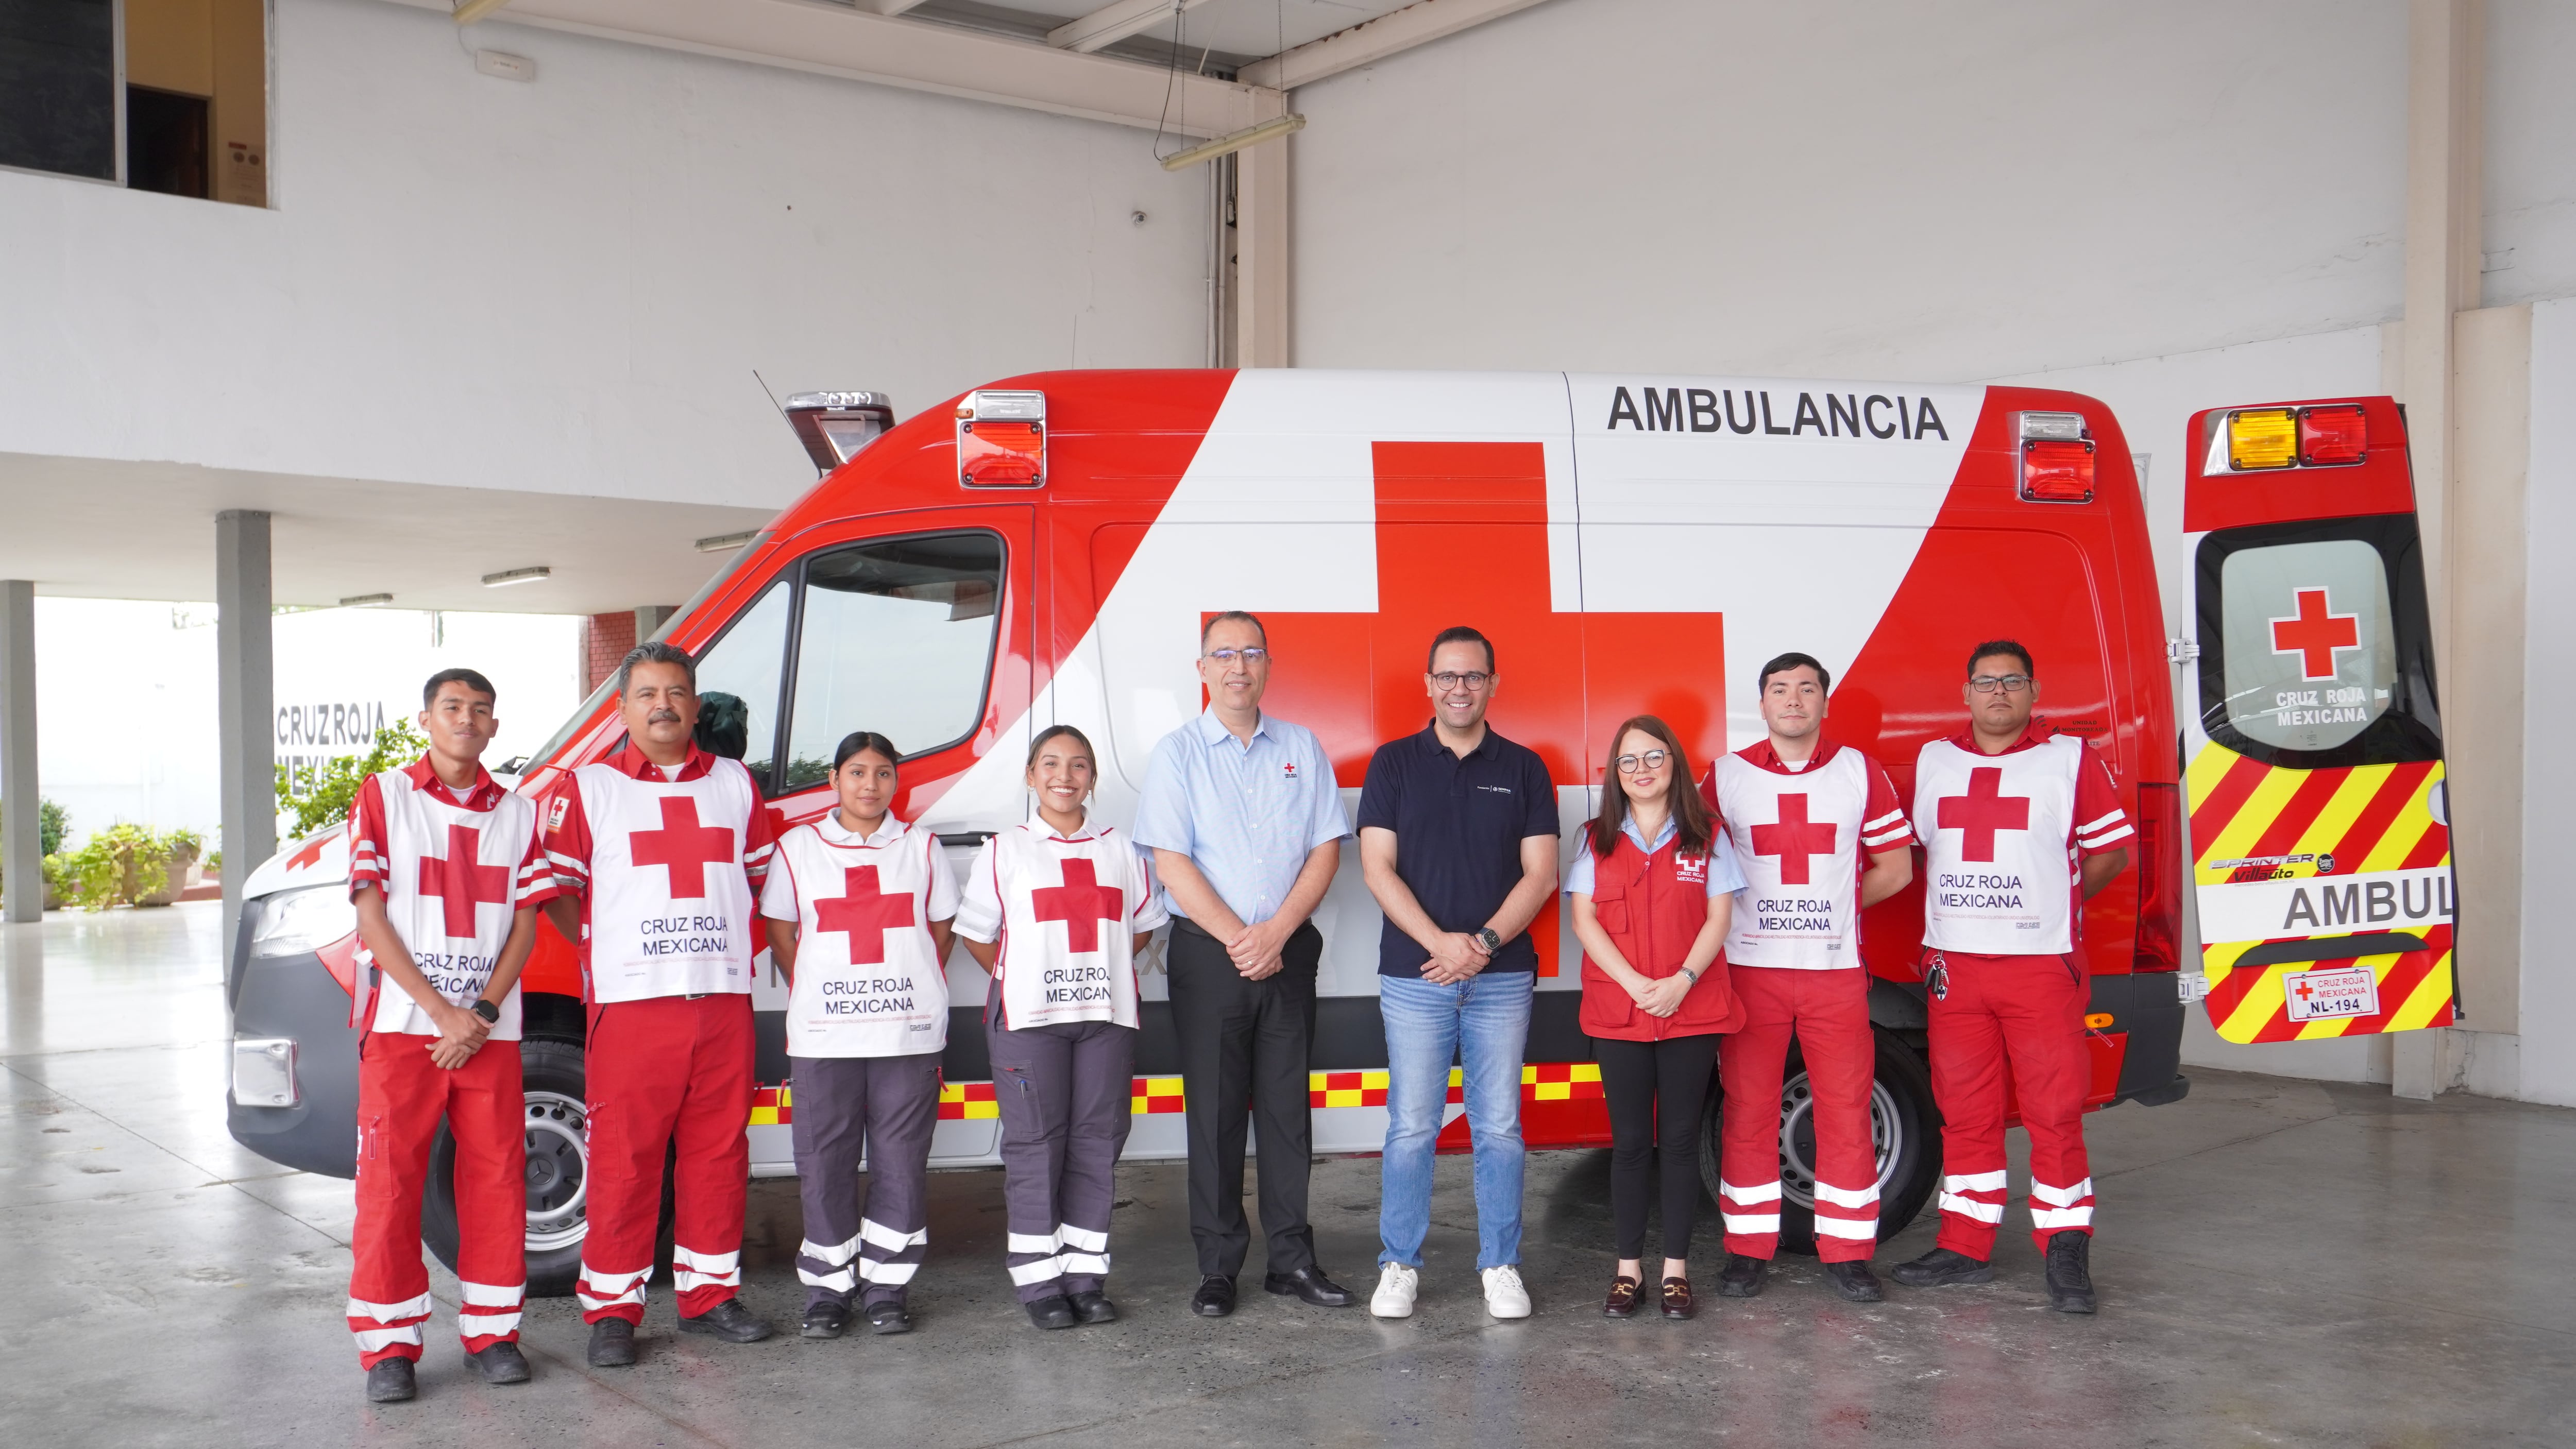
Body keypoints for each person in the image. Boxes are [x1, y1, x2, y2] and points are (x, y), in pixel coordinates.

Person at [535, 641, 780, 1366]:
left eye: (676, 692)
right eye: (647, 694)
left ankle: (709, 1296)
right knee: (626, 1158)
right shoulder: (589, 788)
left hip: (721, 1001)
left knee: (719, 1152)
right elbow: (561, 895)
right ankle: (613, 1309)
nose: (663, 706)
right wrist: (611, 951)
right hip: (635, 1004)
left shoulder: (736, 784)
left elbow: (765, 883)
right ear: (623, 707)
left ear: (696, 705)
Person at [1889, 640, 2132, 1314]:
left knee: (2055, 1112)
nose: (1999, 692)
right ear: (1965, 693)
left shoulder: (2069, 758)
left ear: (2033, 692)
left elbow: (2110, 852)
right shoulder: (1935, 760)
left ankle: (2066, 1247)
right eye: (1986, 682)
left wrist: (2058, 900)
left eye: (2013, 681)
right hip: (1956, 968)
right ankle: (1964, 1244)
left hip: (2038, 966)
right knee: (1965, 1113)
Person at [1132, 611, 1354, 1318]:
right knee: (1218, 1114)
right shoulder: (1177, 754)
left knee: (1289, 1114)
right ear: (1201, 669)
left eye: (1250, 653)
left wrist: (1278, 931)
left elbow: (1326, 848)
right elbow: (1172, 860)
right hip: (1209, 953)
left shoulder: (1302, 746)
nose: (1237, 666)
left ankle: (1292, 1259)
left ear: (1267, 665)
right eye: (1222, 654)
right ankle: (1219, 1266)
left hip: (1288, 950)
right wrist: (1239, 938)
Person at [344, 669, 549, 1404]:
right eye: (453, 707)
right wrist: (443, 1012)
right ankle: (389, 1348)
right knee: (391, 1185)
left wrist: (483, 1013)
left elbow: (525, 923)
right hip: (407, 1028)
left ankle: (494, 1334)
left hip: (488, 1033)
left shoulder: (521, 813)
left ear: (495, 727)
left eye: (481, 710)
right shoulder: (386, 796)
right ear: (426, 718)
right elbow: (371, 916)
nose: (467, 720)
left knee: (497, 1180)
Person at [1355, 625, 1560, 1322]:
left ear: (1493, 684)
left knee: (1499, 1126)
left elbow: (1542, 873)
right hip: (1415, 978)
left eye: (1473, 676)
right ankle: (1399, 1265)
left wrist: (1483, 941)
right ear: (1428, 685)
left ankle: (1500, 1265)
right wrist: (1442, 944)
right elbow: (1376, 868)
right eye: (1447, 676)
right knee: (1412, 1126)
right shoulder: (1394, 764)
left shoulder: (1526, 767)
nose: (1460, 688)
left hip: (1501, 978)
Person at [1704, 652, 1914, 1304]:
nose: (1792, 700)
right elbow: (1700, 869)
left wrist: (1838, 907)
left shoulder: (1859, 772)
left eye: (1806, 689)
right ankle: (1747, 1249)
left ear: (1825, 702)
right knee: (1747, 1110)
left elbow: (1896, 868)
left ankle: (1848, 1252)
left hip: (1832, 970)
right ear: (1760, 704)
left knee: (1845, 1111)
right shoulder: (1726, 777)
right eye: (1778, 689)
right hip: (1750, 970)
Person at [955, 725, 1166, 1329]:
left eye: (1078, 765)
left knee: (1097, 1145)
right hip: (1029, 1021)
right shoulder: (1006, 848)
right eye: (1050, 764)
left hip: (1103, 1018)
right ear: (1029, 775)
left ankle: (1084, 1276)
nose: (1064, 776)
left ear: (1092, 779)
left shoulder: (1120, 848)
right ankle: (1039, 1282)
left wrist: (1095, 967)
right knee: (1034, 1147)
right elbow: (977, 934)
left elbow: (1143, 925)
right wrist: (1023, 974)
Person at [760, 731, 958, 1339]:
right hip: (825, 1035)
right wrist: (823, 987)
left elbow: (941, 928)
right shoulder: (799, 846)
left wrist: (902, 984)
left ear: (897, 783)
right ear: (833, 781)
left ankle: (887, 1287)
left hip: (907, 1032)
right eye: (855, 772)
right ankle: (828, 1288)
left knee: (900, 1162)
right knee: (824, 1161)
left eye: (880, 773)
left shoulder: (921, 847)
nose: (868, 785)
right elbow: (782, 929)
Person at [1565, 714, 1745, 1321]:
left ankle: (1673, 1270)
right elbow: (1584, 920)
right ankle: (1626, 1271)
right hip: (1620, 1010)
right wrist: (1637, 984)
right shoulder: (1595, 837)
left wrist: (1681, 982)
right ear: (1615, 773)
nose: (1641, 770)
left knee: (1678, 1142)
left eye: (1653, 757)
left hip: (1690, 1010)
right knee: (1630, 1145)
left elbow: (1718, 919)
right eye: (1628, 761)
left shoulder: (1707, 831)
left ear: (1674, 762)